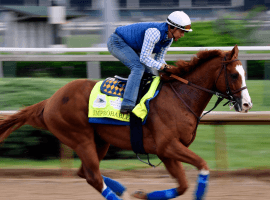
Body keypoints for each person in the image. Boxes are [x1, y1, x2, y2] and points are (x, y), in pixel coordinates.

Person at [107, 11, 192, 114]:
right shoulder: (154, 32)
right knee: (138, 68)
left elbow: (159, 60)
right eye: (182, 31)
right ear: (172, 27)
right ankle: (127, 104)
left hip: (131, 46)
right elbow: (144, 58)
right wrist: (164, 67)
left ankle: (141, 100)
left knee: (150, 74)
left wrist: (169, 69)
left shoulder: (168, 40)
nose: (182, 35)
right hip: (117, 41)